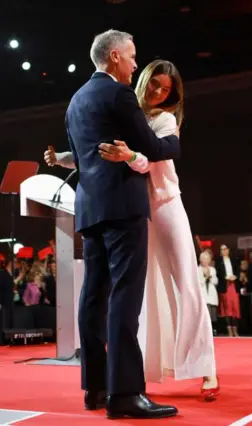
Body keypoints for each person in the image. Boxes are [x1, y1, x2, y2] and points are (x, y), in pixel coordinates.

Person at [47, 57, 220, 403]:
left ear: (173, 96)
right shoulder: (127, 110)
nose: (158, 91)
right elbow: (98, 151)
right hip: (134, 212)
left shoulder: (166, 120)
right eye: (154, 83)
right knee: (147, 294)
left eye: (166, 89)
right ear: (143, 80)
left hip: (166, 205)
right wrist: (62, 158)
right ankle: (157, 368)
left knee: (186, 280)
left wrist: (128, 157)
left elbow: (148, 158)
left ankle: (207, 367)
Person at [62, 29, 180, 419]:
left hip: (89, 207)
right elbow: (150, 144)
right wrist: (173, 140)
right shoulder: (118, 94)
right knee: (125, 297)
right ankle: (126, 393)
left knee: (93, 297)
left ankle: (95, 387)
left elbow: (80, 160)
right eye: (131, 57)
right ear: (114, 57)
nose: (134, 63)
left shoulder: (75, 100)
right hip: (123, 205)